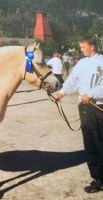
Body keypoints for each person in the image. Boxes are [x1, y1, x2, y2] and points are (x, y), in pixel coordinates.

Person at [53, 35, 103, 193]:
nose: (81, 50)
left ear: (92, 46)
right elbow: (72, 81)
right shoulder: (81, 63)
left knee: (100, 143)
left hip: (98, 107)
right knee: (90, 144)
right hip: (84, 108)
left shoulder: (101, 61)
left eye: (83, 47)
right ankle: (97, 179)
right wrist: (61, 93)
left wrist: (91, 93)